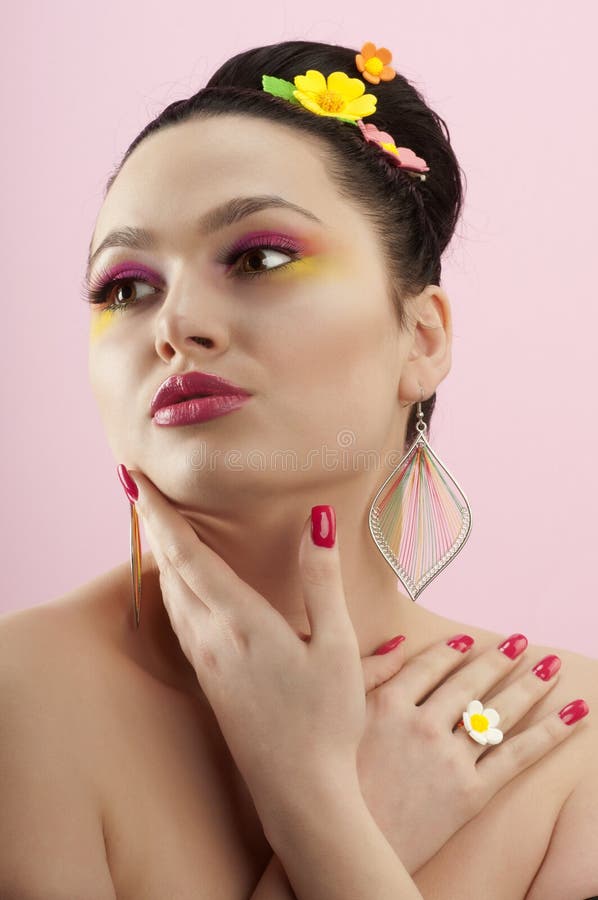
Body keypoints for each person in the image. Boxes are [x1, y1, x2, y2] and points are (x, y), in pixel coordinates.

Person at [1, 38, 596, 899]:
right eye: (126, 287)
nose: (176, 324)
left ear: (421, 338)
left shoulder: (569, 745)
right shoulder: (24, 702)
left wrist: (315, 806)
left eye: (259, 259)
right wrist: (330, 819)